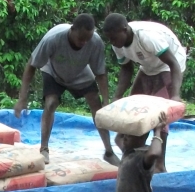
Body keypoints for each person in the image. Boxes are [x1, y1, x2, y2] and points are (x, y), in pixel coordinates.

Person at [14, 13, 118, 165]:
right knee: (51, 103)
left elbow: (101, 74)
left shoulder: (95, 42)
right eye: (80, 38)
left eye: (87, 39)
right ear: (72, 29)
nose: (83, 42)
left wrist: (106, 101)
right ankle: (44, 148)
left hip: (80, 72)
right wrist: (22, 98)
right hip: (53, 70)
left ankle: (109, 151)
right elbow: (31, 65)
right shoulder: (53, 39)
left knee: (96, 103)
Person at [102, 14, 186, 171]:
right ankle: (130, 151)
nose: (112, 42)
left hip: (169, 65)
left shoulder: (147, 37)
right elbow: (126, 69)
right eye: (110, 39)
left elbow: (173, 63)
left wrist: (175, 95)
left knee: (159, 113)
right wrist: (117, 96)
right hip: (147, 67)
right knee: (133, 106)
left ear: (124, 30)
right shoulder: (117, 45)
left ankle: (160, 164)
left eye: (114, 38)